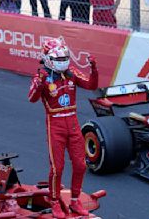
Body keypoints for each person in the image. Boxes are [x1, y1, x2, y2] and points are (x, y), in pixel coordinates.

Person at [28, 37, 98, 218]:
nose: (63, 62)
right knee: (57, 168)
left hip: (73, 124)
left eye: (65, 58)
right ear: (49, 59)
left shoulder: (72, 73)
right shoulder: (41, 76)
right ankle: (54, 201)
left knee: (81, 165)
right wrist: (40, 83)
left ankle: (75, 200)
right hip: (55, 125)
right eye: (59, 59)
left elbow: (92, 85)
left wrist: (94, 69)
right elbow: (32, 98)